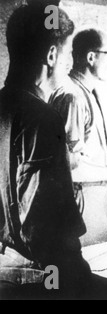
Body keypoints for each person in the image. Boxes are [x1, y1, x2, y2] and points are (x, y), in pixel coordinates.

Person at [0, 2, 90, 298]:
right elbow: (59, 229)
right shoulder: (44, 117)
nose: (68, 65)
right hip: (43, 280)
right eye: (66, 55)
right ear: (51, 56)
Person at [50, 29, 107, 246]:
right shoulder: (73, 97)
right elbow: (64, 162)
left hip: (93, 199)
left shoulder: (85, 92)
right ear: (91, 57)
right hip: (82, 201)